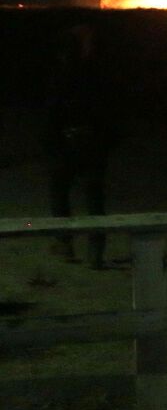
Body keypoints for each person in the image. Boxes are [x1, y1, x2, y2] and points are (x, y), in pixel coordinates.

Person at [43, 22, 119, 268]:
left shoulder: (63, 75)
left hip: (70, 142)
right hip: (92, 143)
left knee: (60, 192)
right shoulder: (99, 74)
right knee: (94, 198)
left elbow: (53, 111)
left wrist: (51, 141)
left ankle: (65, 244)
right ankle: (95, 253)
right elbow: (110, 111)